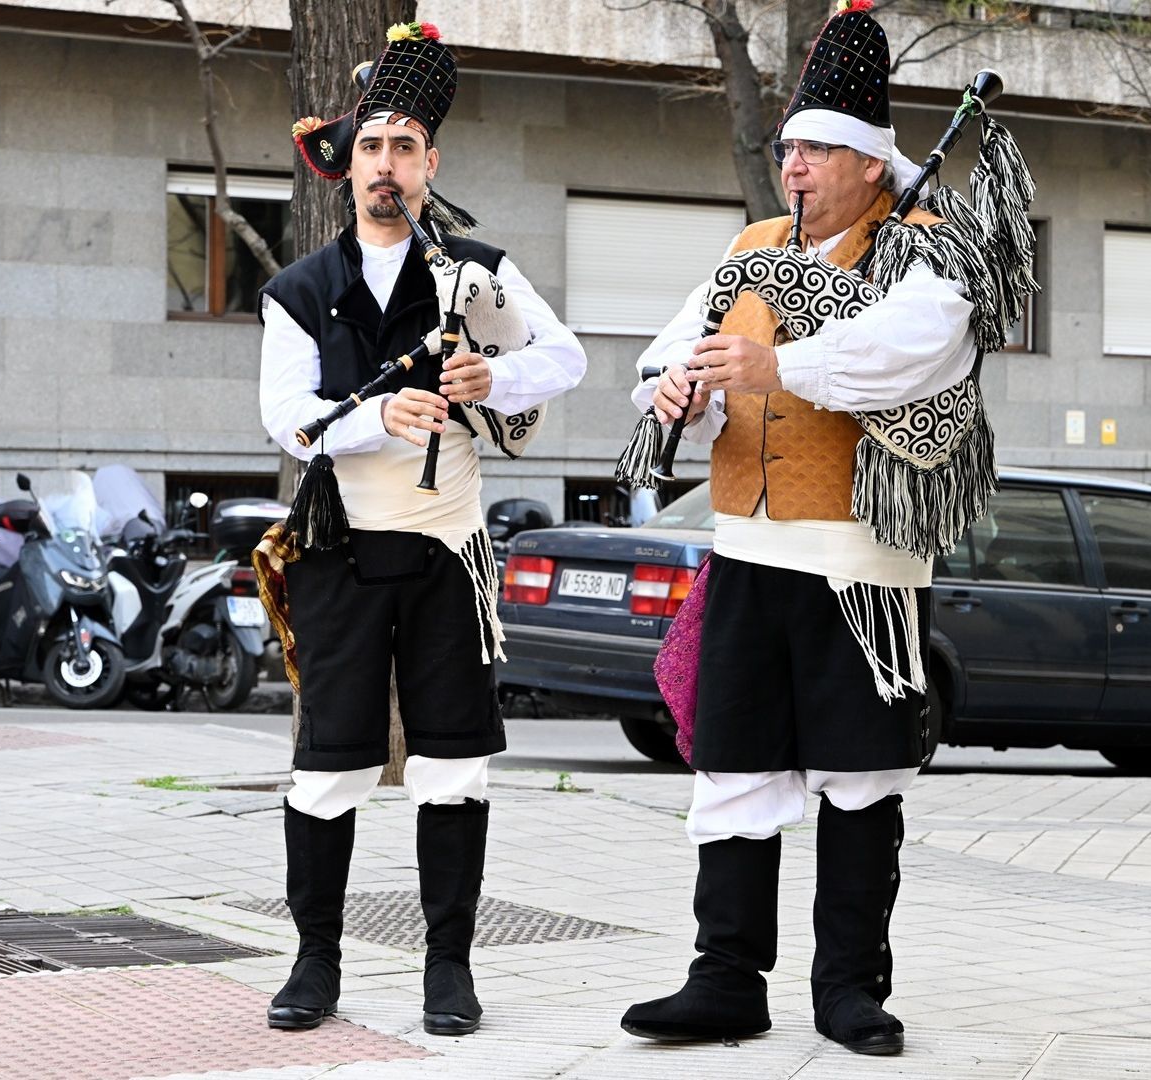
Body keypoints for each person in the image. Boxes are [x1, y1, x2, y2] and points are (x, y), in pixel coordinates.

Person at [618, 0, 987, 1058]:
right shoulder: (749, 247)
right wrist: (676, 392)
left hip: (863, 564)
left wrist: (775, 363)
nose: (796, 167)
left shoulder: (924, 253)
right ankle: (725, 979)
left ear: (871, 163)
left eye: (818, 150)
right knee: (733, 771)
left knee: (861, 777)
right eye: (789, 149)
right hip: (747, 550)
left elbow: (904, 357)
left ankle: (850, 990)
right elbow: (662, 357)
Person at [257, 21, 587, 1038]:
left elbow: (566, 358)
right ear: (346, 165)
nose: (386, 165)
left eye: (404, 147)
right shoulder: (301, 291)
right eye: (371, 146)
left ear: (429, 164)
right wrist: (376, 417)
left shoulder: (475, 271)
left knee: (453, 767)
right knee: (329, 770)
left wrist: (497, 376)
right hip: (342, 554)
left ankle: (450, 968)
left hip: (449, 555)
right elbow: (288, 418)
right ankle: (315, 962)